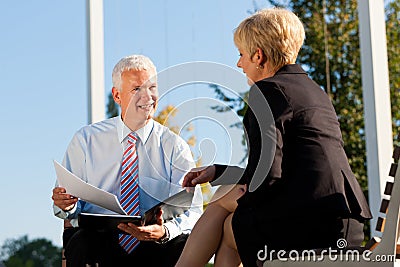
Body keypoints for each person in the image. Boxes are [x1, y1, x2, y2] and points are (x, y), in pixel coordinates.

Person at [176, 8, 372, 267]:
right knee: (229, 221)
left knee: (224, 207)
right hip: (340, 221)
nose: (238, 63)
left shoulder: (268, 92)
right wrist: (219, 171)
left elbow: (268, 175)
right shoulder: (313, 91)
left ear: (258, 56)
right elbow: (287, 168)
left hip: (311, 225)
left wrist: (232, 198)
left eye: (241, 55)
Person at [51, 54, 203, 267]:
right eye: (136, 89)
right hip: (99, 241)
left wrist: (165, 231)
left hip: (156, 242)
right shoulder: (86, 140)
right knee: (81, 242)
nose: (148, 97)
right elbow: (65, 209)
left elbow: (194, 211)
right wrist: (66, 204)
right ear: (117, 95)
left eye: (152, 88)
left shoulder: (174, 146)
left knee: (183, 243)